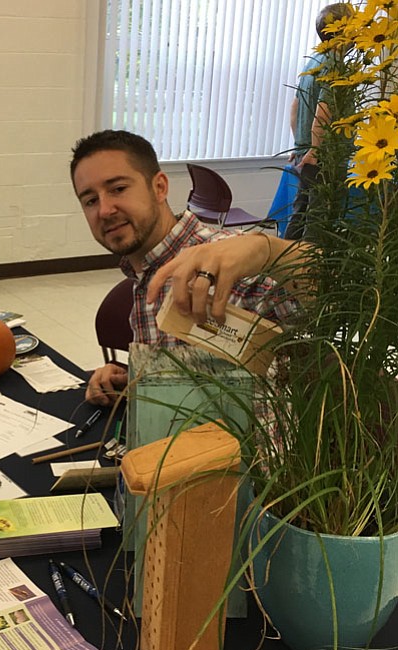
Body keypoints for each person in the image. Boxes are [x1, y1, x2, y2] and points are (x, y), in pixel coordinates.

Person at [70, 130, 302, 406]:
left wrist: (269, 251)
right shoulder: (145, 270)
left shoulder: (233, 265)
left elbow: (341, 298)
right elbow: (201, 371)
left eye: (118, 189)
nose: (105, 209)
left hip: (238, 448)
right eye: (91, 200)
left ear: (159, 187)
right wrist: (133, 379)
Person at [284, 2, 354, 240]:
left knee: (300, 213)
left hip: (307, 150)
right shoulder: (336, 66)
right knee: (318, 221)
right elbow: (323, 112)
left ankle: (281, 271)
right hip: (324, 155)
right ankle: (307, 277)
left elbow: (295, 109)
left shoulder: (314, 60)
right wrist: (315, 150)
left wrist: (300, 146)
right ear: (342, 29)